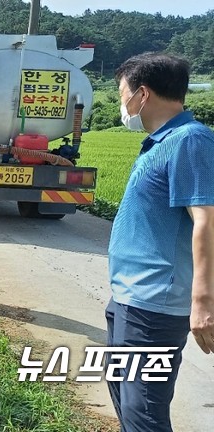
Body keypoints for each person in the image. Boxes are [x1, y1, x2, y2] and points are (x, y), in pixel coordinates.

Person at [107, 52, 214, 432]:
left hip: (155, 304)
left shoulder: (191, 140)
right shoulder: (161, 141)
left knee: (143, 409)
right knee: (122, 390)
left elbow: (206, 221)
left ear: (143, 95)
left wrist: (202, 303)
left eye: (123, 94)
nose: (123, 103)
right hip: (128, 296)